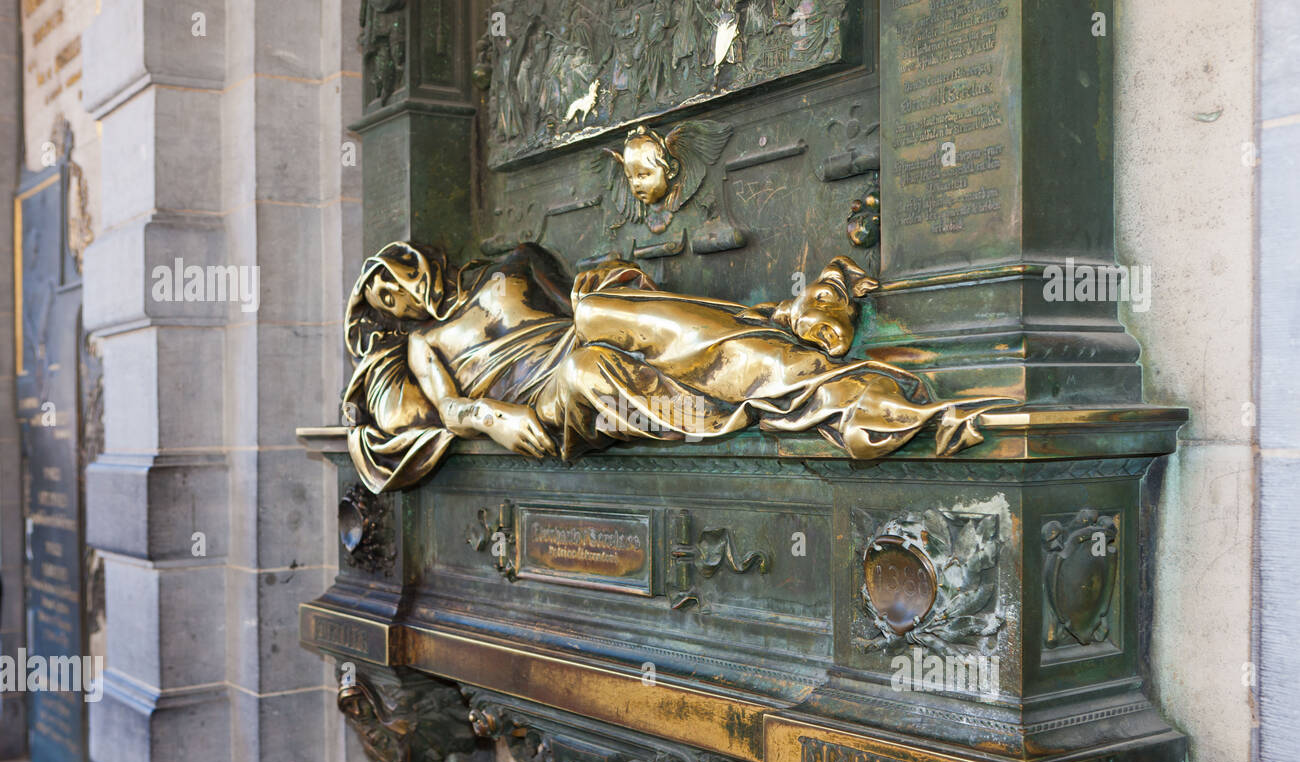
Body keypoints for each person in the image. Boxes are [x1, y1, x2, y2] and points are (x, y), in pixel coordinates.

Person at [342, 241, 1007, 493]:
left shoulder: (513, 264)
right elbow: (448, 411)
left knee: (607, 321)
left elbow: (580, 297)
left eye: (393, 282)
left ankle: (853, 392)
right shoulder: (424, 346)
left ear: (412, 259)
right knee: (589, 368)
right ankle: (756, 382)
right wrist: (492, 416)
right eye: (387, 304)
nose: (400, 300)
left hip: (587, 343)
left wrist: (616, 297)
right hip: (544, 409)